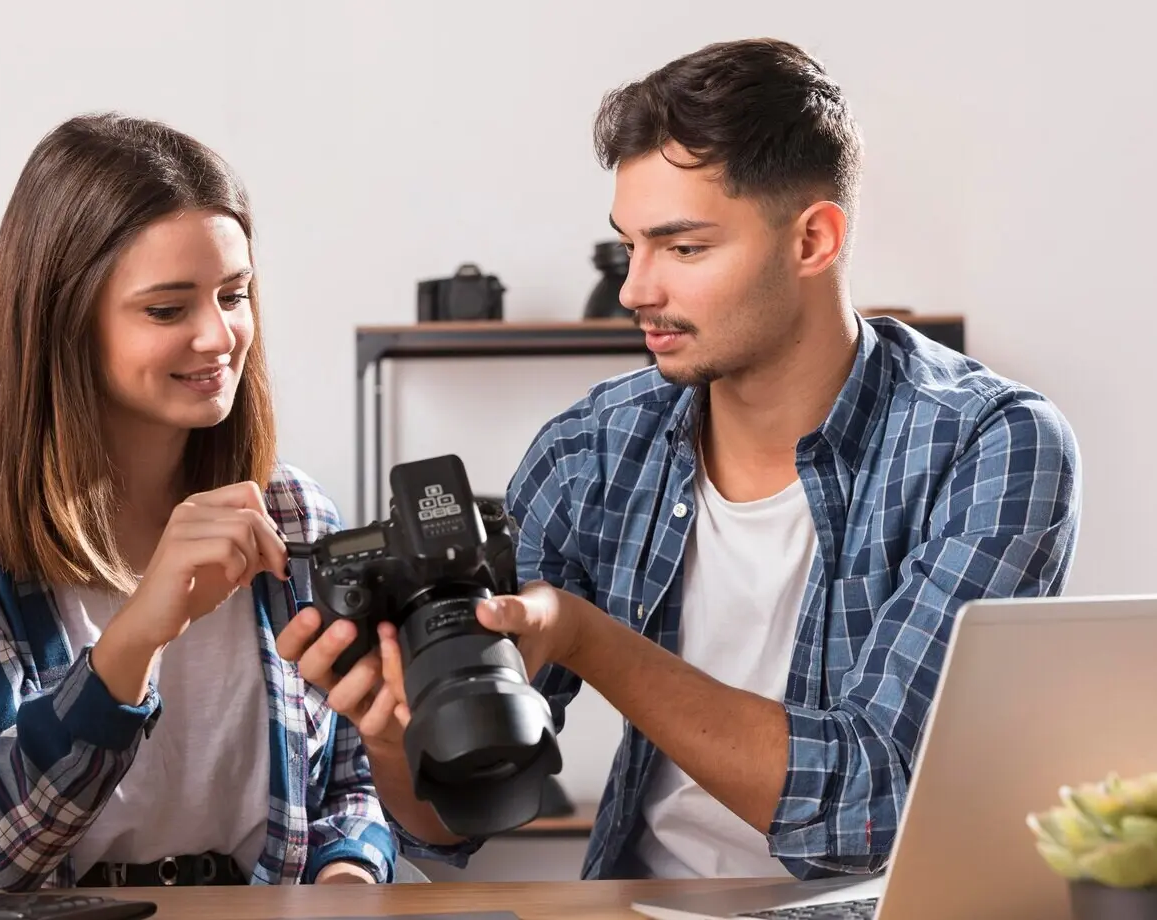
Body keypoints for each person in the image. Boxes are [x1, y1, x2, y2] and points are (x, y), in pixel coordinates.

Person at [276, 38, 1082, 881]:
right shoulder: (591, 450)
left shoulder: (990, 444)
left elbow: (873, 808)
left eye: (683, 248)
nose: (635, 290)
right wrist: (394, 736)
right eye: (630, 246)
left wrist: (587, 638)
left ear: (813, 239)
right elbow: (449, 827)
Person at [0, 113, 396, 891]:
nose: (219, 337)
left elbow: (349, 783)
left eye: (234, 294)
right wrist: (142, 629)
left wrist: (347, 877)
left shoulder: (292, 512)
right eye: (167, 309)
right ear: (64, 319)